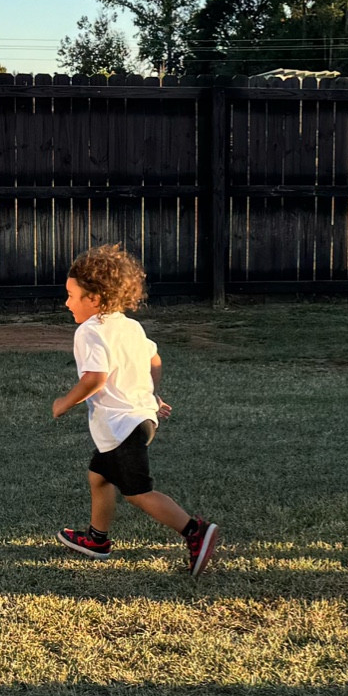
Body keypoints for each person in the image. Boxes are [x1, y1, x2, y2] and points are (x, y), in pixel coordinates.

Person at [51, 242, 220, 574]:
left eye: (72, 296)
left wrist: (63, 403)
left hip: (121, 426)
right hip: (142, 419)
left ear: (94, 300)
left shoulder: (89, 332)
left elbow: (95, 379)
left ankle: (195, 531)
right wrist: (154, 395)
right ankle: (97, 539)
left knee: (138, 492)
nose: (66, 302)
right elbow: (153, 357)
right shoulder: (129, 326)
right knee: (99, 475)